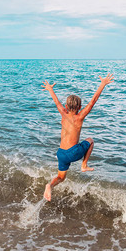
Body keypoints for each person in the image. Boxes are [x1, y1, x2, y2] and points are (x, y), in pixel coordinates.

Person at [42, 73, 114, 201]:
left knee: (61, 177)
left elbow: (56, 102)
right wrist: (102, 84)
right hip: (72, 152)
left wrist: (50, 89)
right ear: (80, 107)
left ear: (66, 107)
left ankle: (49, 185)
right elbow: (93, 101)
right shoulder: (80, 116)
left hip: (61, 153)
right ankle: (84, 165)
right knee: (90, 141)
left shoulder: (63, 114)